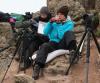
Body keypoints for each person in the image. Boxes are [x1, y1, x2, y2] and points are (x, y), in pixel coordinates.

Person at [32, 6, 77, 80]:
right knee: (44, 45)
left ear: (65, 16)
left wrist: (58, 25)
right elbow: (45, 32)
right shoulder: (53, 23)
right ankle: (37, 66)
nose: (59, 16)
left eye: (61, 14)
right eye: (58, 14)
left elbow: (61, 36)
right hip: (53, 42)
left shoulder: (69, 23)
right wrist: (50, 23)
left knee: (69, 33)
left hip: (63, 43)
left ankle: (73, 52)